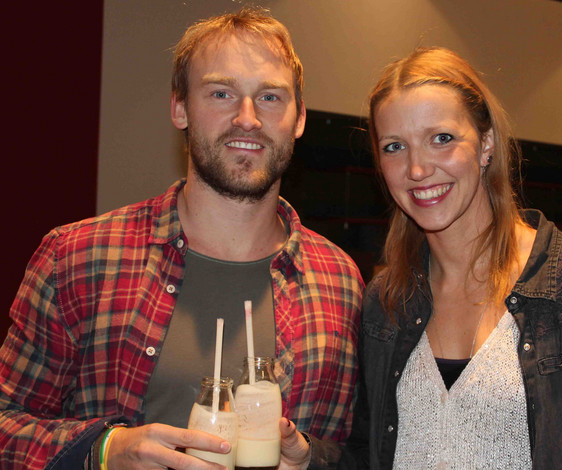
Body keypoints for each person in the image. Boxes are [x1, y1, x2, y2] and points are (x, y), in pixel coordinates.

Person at [0, 8, 363, 470]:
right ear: (180, 108)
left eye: (270, 97)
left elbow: (360, 451)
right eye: (221, 92)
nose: (247, 118)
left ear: (299, 118)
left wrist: (312, 459)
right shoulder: (77, 258)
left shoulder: (341, 282)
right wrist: (105, 451)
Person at [288, 47, 562, 469]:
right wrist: (307, 458)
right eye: (394, 147)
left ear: (486, 144)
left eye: (441, 139)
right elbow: (373, 454)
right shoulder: (387, 302)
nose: (417, 169)